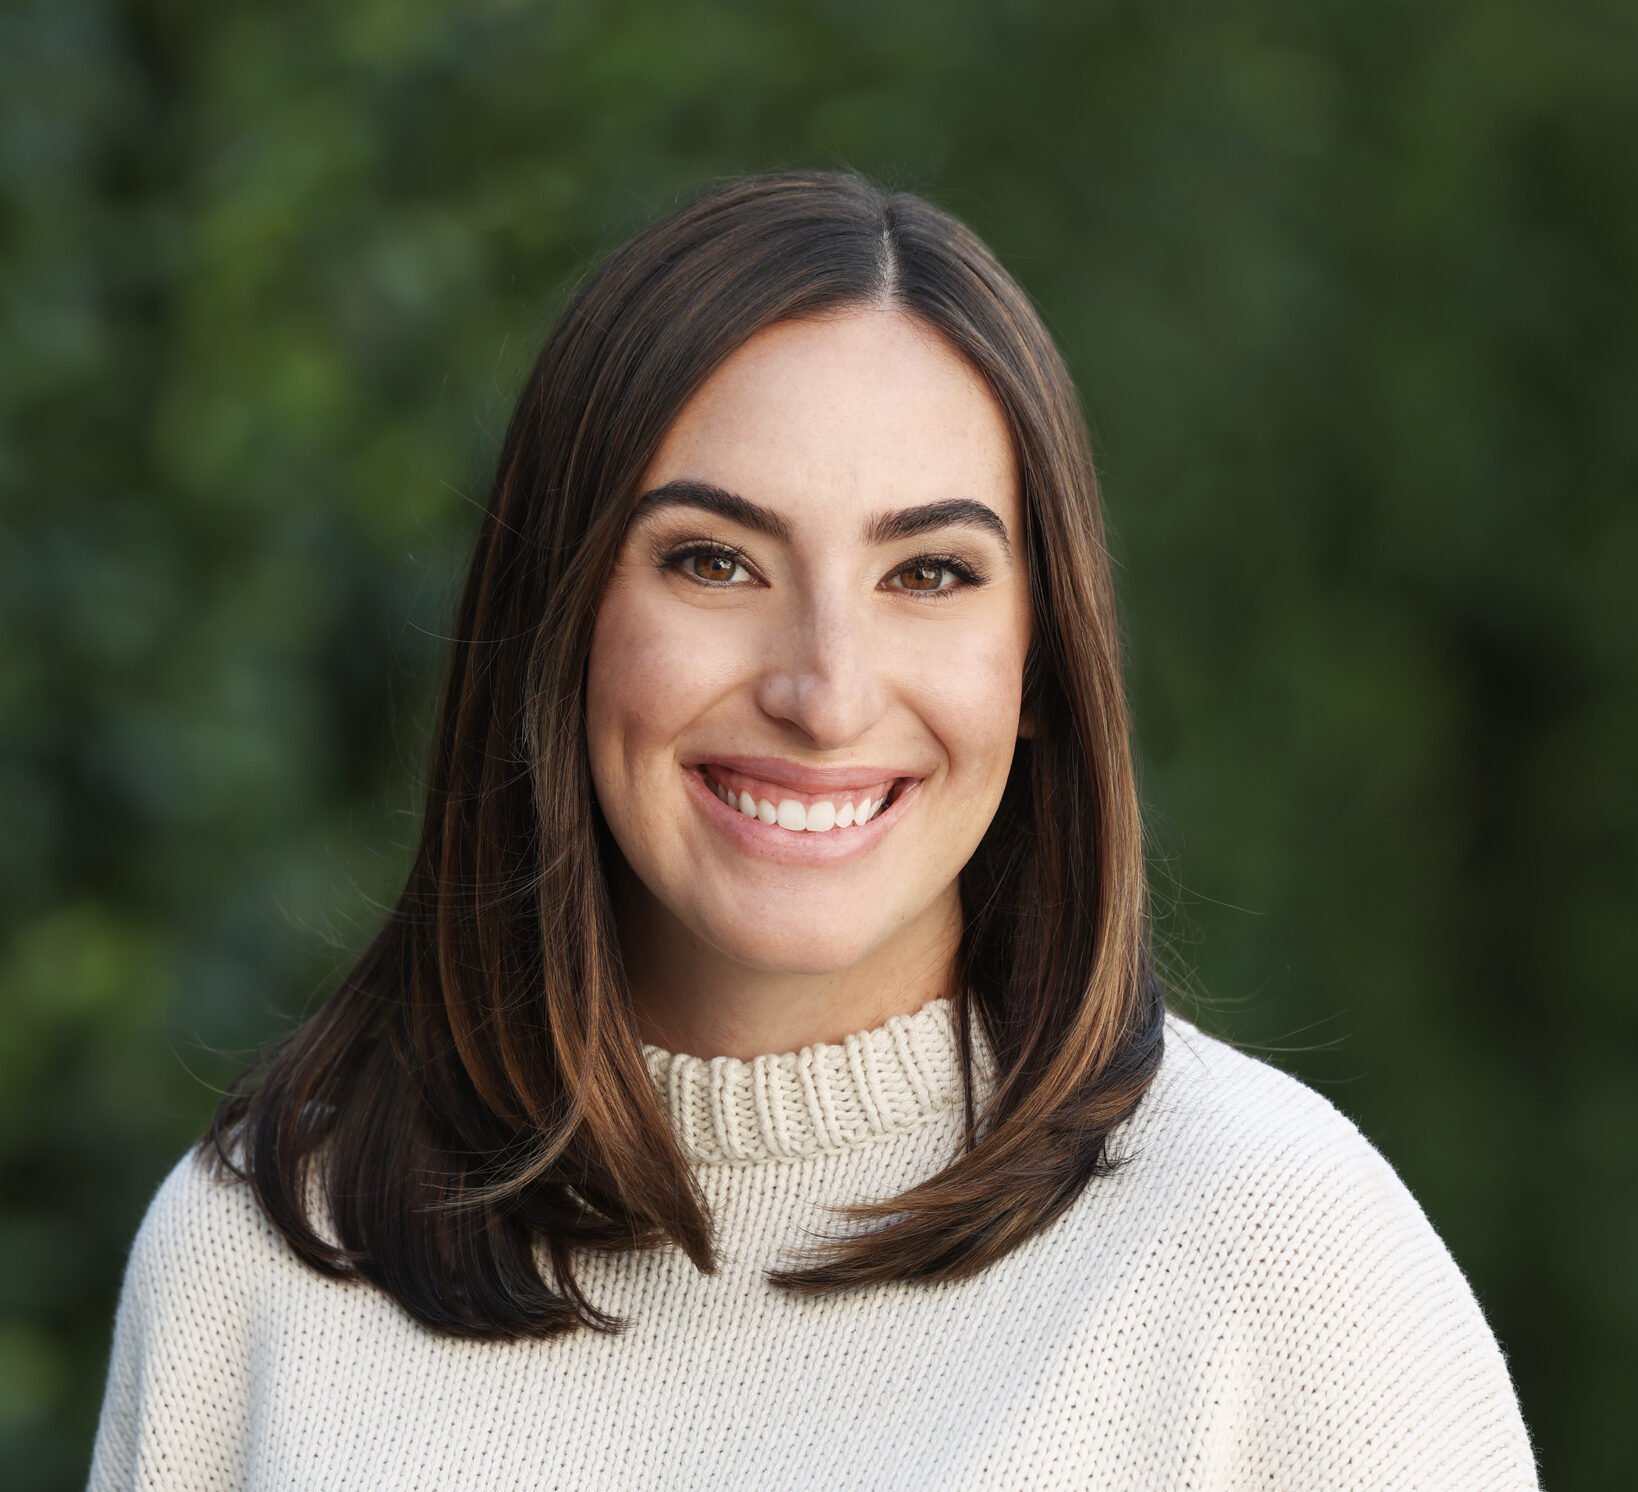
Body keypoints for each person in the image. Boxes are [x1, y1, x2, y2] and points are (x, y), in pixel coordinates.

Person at [87, 171, 1537, 1490]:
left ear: (1038, 664)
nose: (823, 692)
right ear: (560, 623)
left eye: (929, 572)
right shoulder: (268, 1258)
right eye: (713, 561)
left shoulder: (1275, 1256)